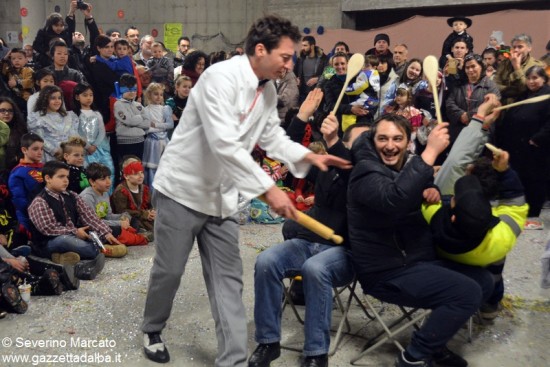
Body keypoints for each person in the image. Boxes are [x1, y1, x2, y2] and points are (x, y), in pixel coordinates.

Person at [140, 14, 351, 366]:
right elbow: (224, 144)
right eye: (285, 56)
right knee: (170, 271)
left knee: (228, 282)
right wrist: (269, 191)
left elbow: (270, 137)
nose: (290, 64)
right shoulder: (218, 79)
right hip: (182, 191)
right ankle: (152, 326)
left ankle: (233, 360)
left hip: (222, 199)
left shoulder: (267, 90)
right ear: (259, 50)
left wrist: (309, 159)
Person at [347, 115, 494, 367]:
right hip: (385, 272)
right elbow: (393, 199)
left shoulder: (404, 165)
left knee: (482, 280)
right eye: (382, 138)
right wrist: (431, 152)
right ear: (373, 141)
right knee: (466, 292)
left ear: (407, 141)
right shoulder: (364, 172)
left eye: (397, 138)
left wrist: (432, 189)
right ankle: (412, 358)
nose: (390, 146)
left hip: (414, 259)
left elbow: (417, 183)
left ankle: (434, 344)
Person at [249, 90, 369, 367]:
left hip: (344, 252)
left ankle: (316, 353)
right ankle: (268, 342)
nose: (365, 147)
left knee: (316, 269)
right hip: (307, 242)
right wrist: (302, 116)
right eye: (359, 141)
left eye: (367, 143)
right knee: (266, 261)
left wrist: (334, 142)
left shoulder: (369, 175)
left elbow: (354, 169)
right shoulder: (327, 169)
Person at [27, 160, 119, 278]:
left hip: (73, 234)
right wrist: (75, 232)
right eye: (61, 176)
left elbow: (90, 217)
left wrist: (106, 233)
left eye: (67, 177)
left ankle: (62, 256)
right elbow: (49, 229)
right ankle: (100, 250)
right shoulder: (40, 201)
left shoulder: (72, 195)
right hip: (47, 243)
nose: (66, 180)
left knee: (98, 231)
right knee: (64, 241)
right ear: (48, 178)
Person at [494, 65, 550, 230]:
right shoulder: (525, 94)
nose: (531, 81)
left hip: (535, 148)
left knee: (534, 181)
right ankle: (520, 212)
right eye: (529, 78)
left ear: (544, 80)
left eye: (535, 78)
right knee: (521, 178)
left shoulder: (547, 97)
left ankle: (533, 216)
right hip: (518, 147)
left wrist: (536, 139)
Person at [80, 162, 148, 247]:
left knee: (133, 220)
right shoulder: (87, 197)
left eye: (109, 177)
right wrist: (119, 223)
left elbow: (108, 215)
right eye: (103, 179)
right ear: (92, 182)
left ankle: (126, 238)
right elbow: (93, 223)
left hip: (105, 223)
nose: (108, 182)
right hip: (94, 228)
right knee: (116, 229)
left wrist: (124, 217)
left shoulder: (105, 193)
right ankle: (138, 239)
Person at [445, 54, 500, 143]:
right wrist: (461, 116)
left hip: (480, 134)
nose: (470, 70)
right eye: (467, 67)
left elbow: (491, 107)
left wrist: (468, 116)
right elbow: (449, 104)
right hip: (458, 134)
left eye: (473, 66)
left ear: (481, 67)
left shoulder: (491, 86)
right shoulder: (459, 85)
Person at [72, 82, 115, 191]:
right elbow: (76, 133)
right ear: (77, 97)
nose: (89, 98)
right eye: (85, 95)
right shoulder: (74, 114)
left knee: (108, 171)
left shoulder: (96, 114)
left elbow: (102, 131)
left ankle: (107, 198)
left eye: (91, 95)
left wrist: (95, 145)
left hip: (99, 148)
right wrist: (87, 146)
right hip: (84, 150)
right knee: (90, 175)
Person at [27, 85, 79, 162]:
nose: (57, 101)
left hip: (71, 155)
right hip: (50, 156)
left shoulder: (69, 116)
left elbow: (75, 134)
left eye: (59, 98)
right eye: (53, 98)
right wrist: (55, 151)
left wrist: (73, 150)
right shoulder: (36, 118)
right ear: (45, 99)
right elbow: (39, 138)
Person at [8, 133, 44, 232]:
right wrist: (37, 213)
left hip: (48, 214)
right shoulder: (17, 172)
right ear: (24, 150)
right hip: (28, 219)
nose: (40, 152)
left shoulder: (45, 168)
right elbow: (19, 200)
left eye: (42, 149)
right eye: (35, 149)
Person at [494, 33, 545, 104]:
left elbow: (527, 88)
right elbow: (494, 85)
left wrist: (517, 67)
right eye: (514, 47)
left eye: (520, 47)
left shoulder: (537, 66)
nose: (516, 50)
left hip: (524, 105)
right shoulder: (504, 63)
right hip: (503, 105)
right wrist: (511, 90)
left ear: (529, 48)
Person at [142, 83, 173, 188]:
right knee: (151, 168)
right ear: (149, 95)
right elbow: (146, 128)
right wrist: (161, 127)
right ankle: (151, 192)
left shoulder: (165, 109)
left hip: (164, 141)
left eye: (161, 94)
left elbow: (170, 125)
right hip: (152, 142)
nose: (159, 97)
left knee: (165, 167)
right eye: (156, 94)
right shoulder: (145, 110)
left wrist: (155, 124)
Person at [114, 73, 150, 162]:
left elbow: (148, 123)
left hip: (140, 141)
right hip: (125, 143)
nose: (132, 92)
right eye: (129, 89)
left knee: (139, 167)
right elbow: (129, 121)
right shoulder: (118, 104)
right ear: (122, 89)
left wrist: (134, 120)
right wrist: (140, 117)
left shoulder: (139, 105)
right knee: (127, 169)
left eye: (134, 89)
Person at [294, 36, 328, 102]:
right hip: (302, 95)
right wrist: (296, 79)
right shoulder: (300, 59)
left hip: (317, 94)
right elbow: (294, 73)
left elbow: (330, 73)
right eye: (302, 45)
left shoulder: (324, 58)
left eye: (305, 45)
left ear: (312, 46)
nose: (302, 48)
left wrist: (318, 79)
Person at [0, 96, 27, 173]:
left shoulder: (20, 130)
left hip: (14, 170)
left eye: (10, 111)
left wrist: (15, 158)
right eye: (2, 110)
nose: (7, 113)